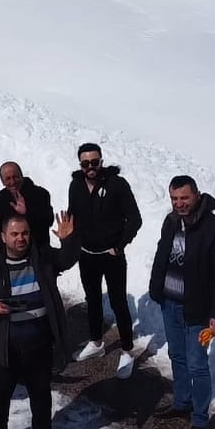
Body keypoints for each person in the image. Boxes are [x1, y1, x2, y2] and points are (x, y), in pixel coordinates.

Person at [0, 211, 79, 429]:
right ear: (3, 237)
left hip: (38, 344)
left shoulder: (41, 257)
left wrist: (69, 240)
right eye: (15, 234)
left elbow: (67, 259)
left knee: (41, 396)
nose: (21, 239)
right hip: (3, 346)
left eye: (25, 233)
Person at [147, 175, 215, 429]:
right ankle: (182, 402)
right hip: (170, 302)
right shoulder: (171, 221)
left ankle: (199, 420)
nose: (179, 204)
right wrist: (156, 287)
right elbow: (162, 253)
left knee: (197, 364)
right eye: (174, 199)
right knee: (177, 355)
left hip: (197, 310)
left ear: (196, 195)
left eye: (184, 198)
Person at [66, 142, 143, 378]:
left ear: (102, 161)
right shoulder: (76, 185)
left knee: (119, 302)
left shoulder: (117, 185)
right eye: (86, 163)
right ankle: (97, 342)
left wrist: (119, 246)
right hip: (87, 255)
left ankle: (127, 351)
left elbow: (135, 219)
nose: (91, 167)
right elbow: (73, 216)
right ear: (80, 164)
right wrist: (70, 238)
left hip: (112, 256)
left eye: (95, 162)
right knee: (93, 299)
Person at [0, 161, 54, 250]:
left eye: (15, 177)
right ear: (2, 182)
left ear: (21, 175)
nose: (12, 182)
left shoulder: (40, 194)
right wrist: (0, 247)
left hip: (38, 251)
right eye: (8, 179)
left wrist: (26, 213)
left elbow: (48, 220)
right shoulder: (2, 196)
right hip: (11, 254)